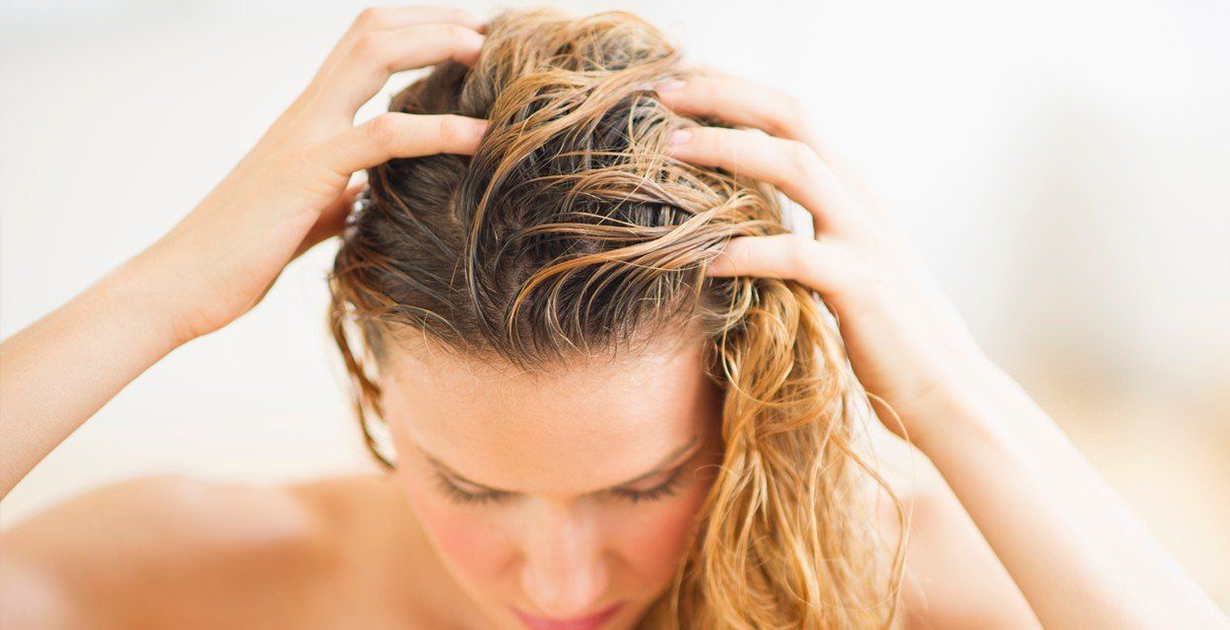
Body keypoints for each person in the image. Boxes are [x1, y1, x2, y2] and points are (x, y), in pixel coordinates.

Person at [0, 6, 1224, 630]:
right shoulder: (232, 570)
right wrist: (162, 293)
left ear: (739, 392)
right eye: (472, 488)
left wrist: (951, 390)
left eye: (643, 485)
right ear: (375, 376)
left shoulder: (897, 572)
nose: (559, 579)